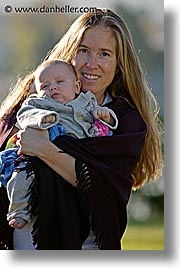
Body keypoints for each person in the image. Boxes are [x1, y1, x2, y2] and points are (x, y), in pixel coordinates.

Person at [0, 8, 163, 250]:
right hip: (24, 244)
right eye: (83, 50)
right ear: (70, 51)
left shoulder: (124, 122)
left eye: (104, 54)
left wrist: (45, 150)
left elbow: (105, 190)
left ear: (119, 64)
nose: (91, 64)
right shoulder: (33, 100)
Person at [3, 59, 117, 230]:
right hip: (38, 157)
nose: (53, 88)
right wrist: (40, 119)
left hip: (75, 155)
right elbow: (25, 115)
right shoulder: (38, 104)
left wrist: (107, 116)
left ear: (77, 87)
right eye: (45, 86)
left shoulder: (87, 102)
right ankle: (18, 211)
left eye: (60, 82)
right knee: (20, 177)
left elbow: (106, 122)